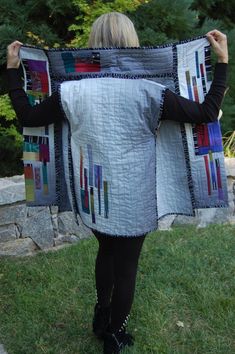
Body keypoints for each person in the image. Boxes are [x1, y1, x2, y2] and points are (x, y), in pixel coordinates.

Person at [6, 12, 228, 354]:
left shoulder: (71, 90)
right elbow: (206, 113)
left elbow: (28, 117)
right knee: (126, 267)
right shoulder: (151, 92)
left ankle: (101, 317)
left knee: (106, 251)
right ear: (132, 43)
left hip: (93, 194)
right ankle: (114, 336)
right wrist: (223, 62)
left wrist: (12, 70)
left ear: (94, 44)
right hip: (134, 197)